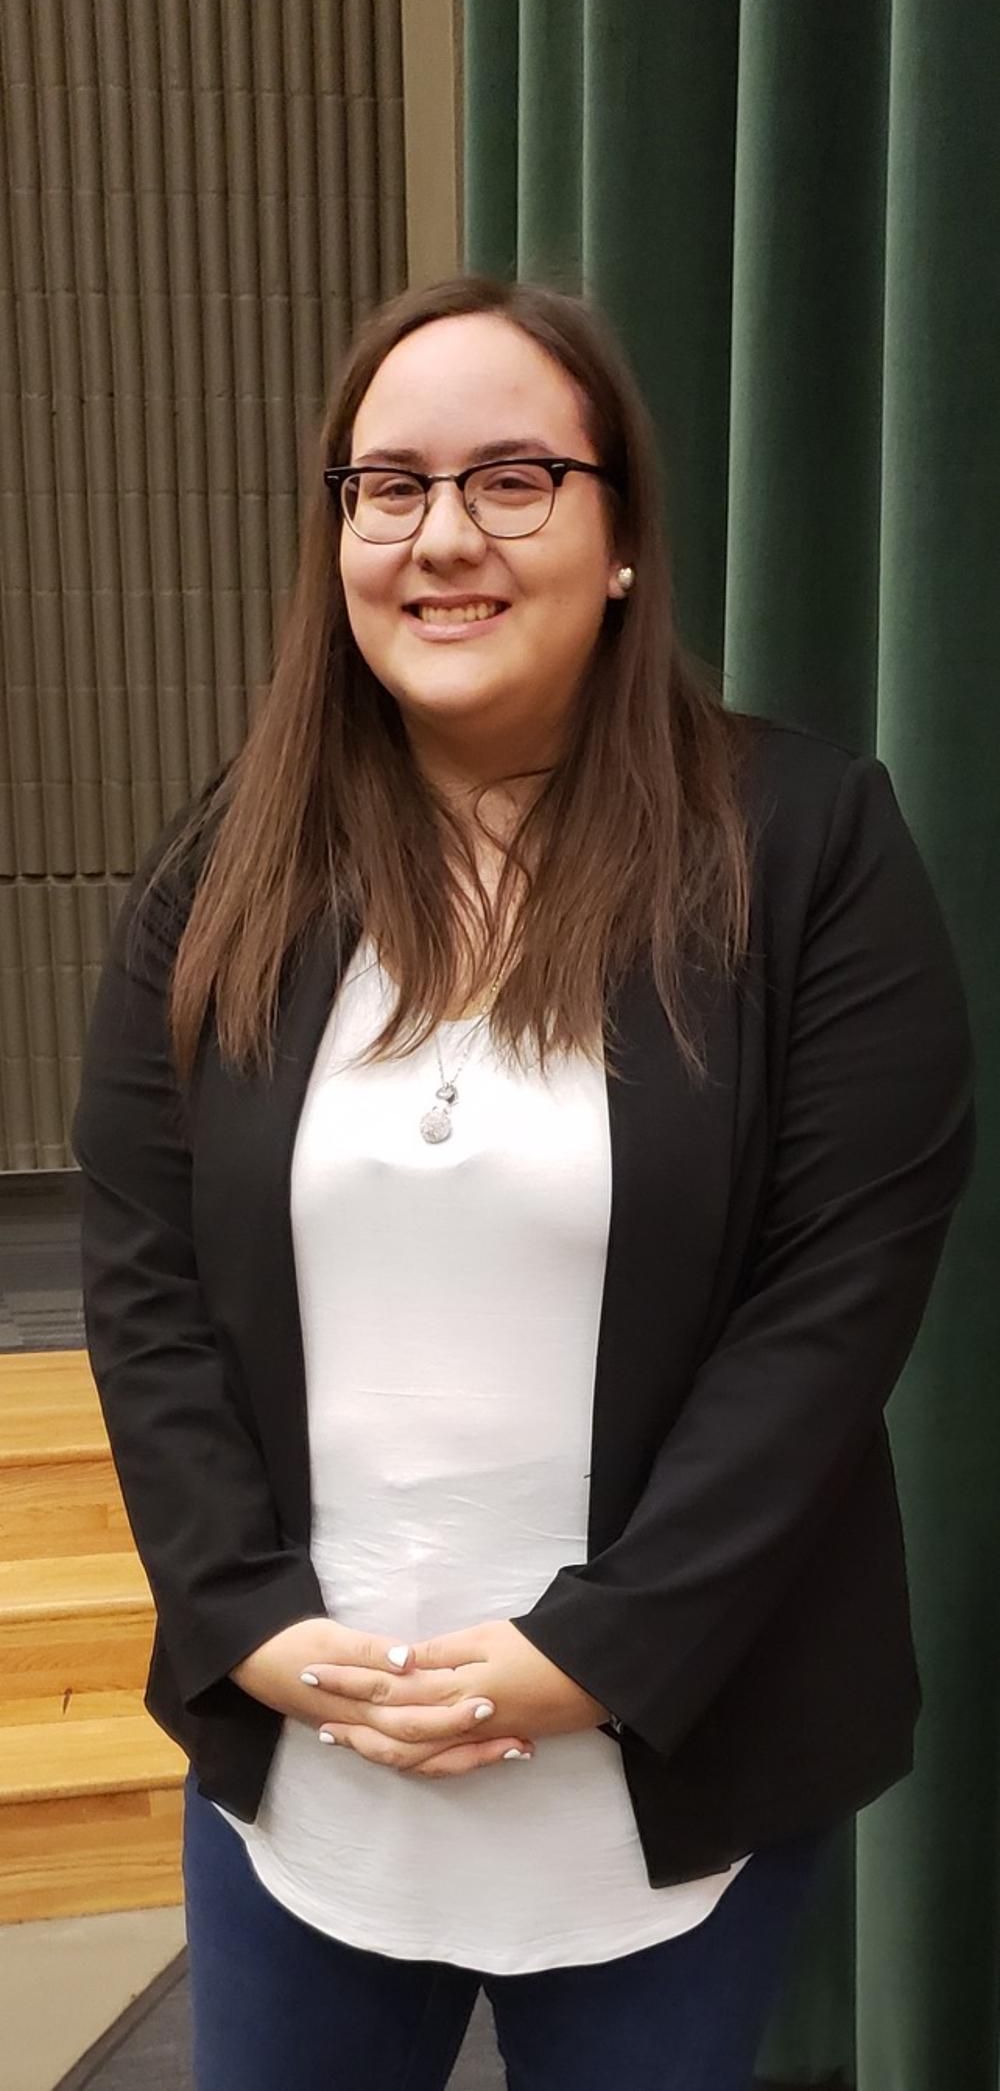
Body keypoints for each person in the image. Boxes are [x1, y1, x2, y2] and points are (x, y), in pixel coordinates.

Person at [72, 274, 976, 2091]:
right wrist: (244, 1620)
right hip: (303, 1760)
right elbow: (144, 1273)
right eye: (387, 487)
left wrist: (600, 1652)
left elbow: (833, 1306)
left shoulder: (803, 850)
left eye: (511, 479)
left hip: (665, 1745)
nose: (440, 536)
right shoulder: (223, 865)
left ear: (621, 533)